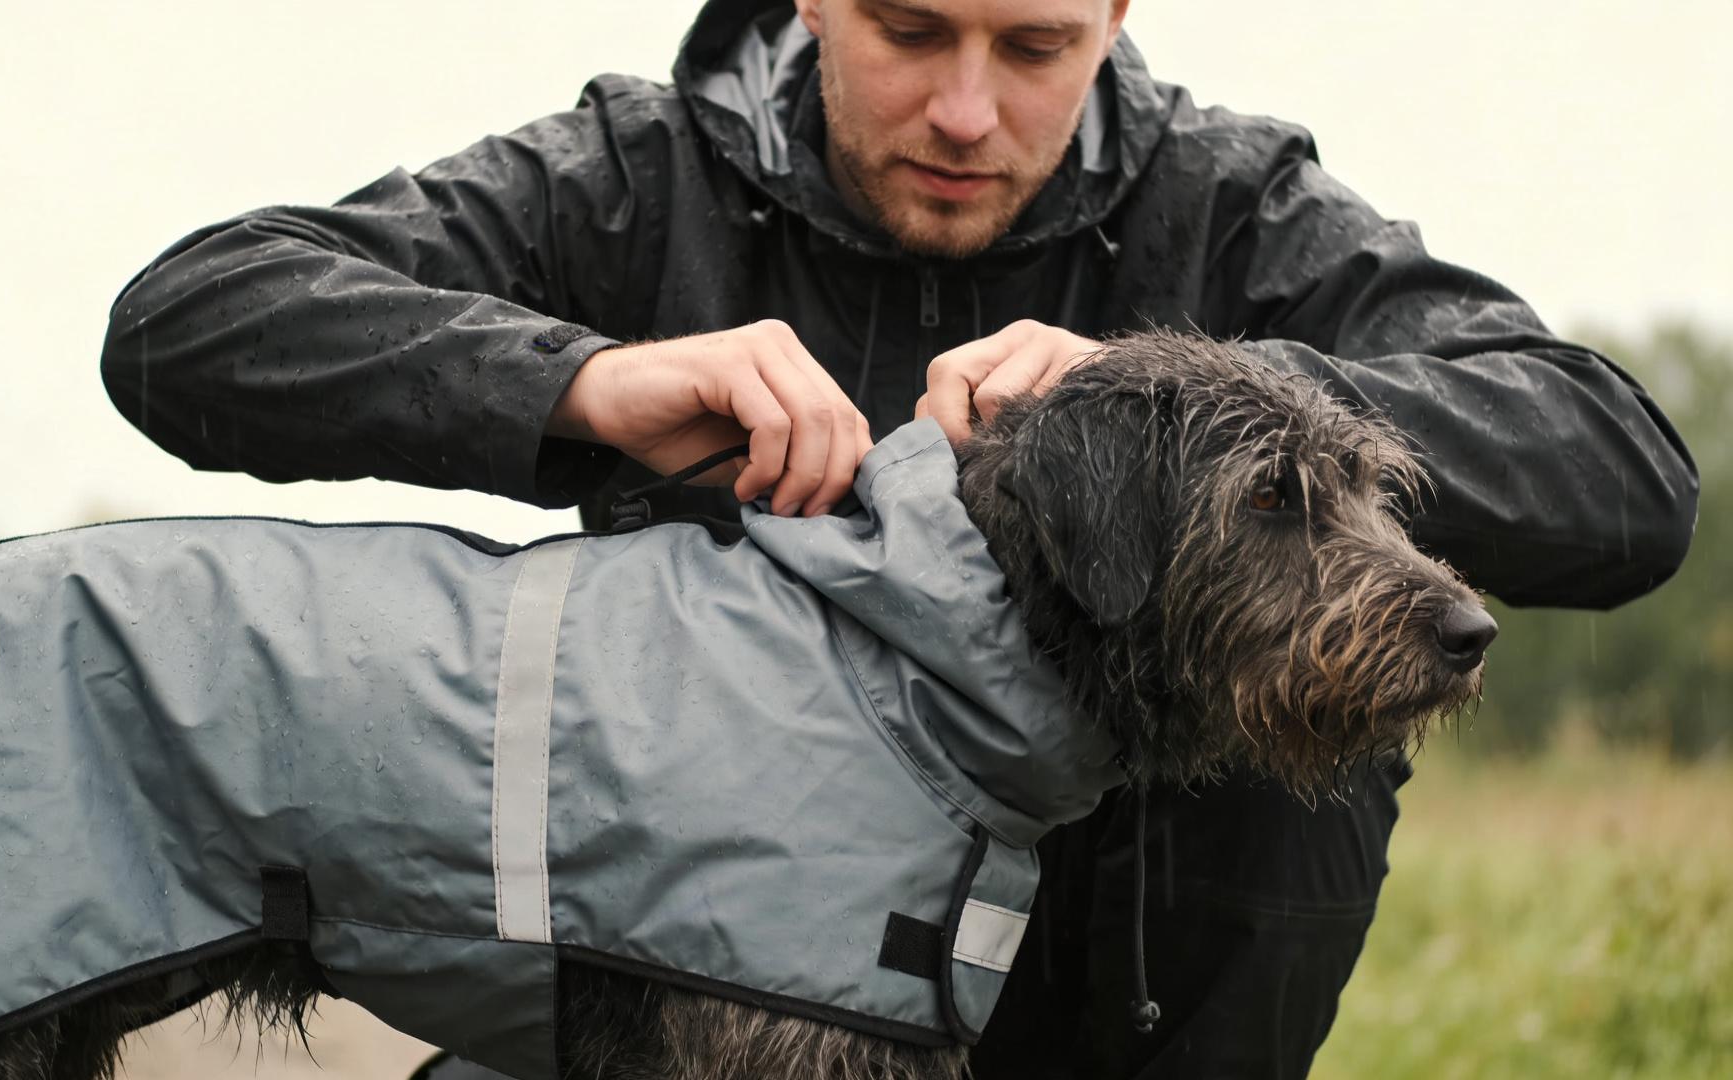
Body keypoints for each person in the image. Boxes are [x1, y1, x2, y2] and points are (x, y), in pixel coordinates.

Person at [99, 0, 1698, 1075]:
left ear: (1120, 15)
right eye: (912, 29)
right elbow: (188, 320)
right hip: (678, 1020)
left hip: (1121, 1017)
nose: (966, 107)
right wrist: (582, 379)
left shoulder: (1239, 209)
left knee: (1300, 643)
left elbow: (1624, 470)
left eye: (1035, 43)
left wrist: (1232, 408)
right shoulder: (632, 178)